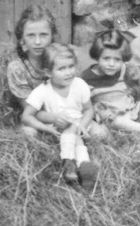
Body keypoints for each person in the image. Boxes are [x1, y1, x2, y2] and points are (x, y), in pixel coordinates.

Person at [6, 5, 107, 138]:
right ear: (21, 39)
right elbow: (30, 110)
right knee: (29, 133)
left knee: (99, 133)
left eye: (43, 35)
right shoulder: (17, 69)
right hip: (39, 117)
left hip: (70, 112)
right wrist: (55, 119)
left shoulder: (63, 58)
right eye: (31, 35)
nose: (37, 42)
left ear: (52, 36)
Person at [21, 43, 99, 189]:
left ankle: (79, 165)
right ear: (48, 72)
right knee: (70, 132)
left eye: (71, 66)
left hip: (79, 122)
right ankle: (76, 163)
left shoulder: (79, 84)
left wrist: (83, 124)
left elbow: (89, 109)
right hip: (58, 126)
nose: (68, 72)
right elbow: (26, 116)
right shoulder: (43, 90)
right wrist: (46, 128)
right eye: (62, 69)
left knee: (99, 133)